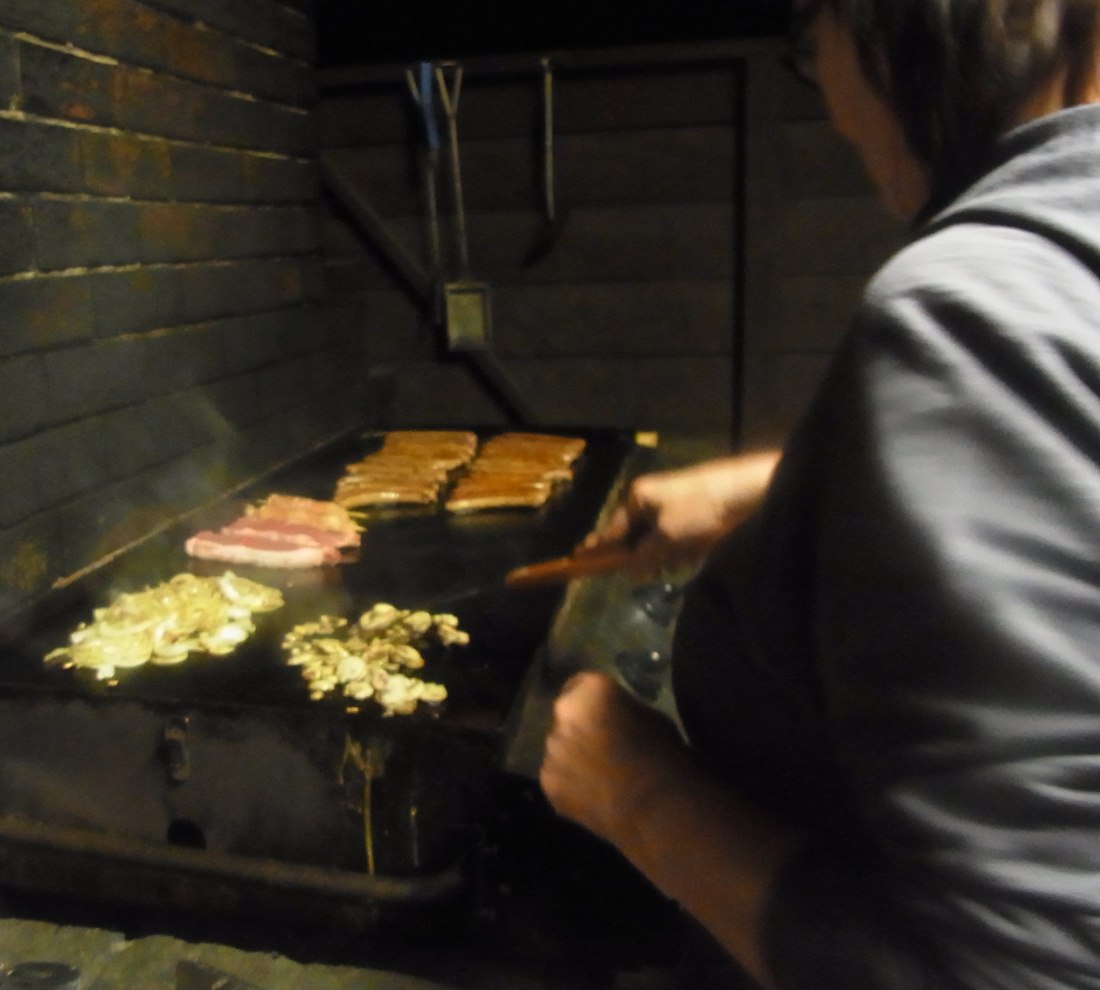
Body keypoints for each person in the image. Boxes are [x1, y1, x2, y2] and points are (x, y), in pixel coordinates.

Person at [538, 1, 1100, 987]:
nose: (828, 94)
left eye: (811, 37)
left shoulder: (966, 308)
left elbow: (1022, 973)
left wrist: (638, 792)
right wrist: (793, 487)